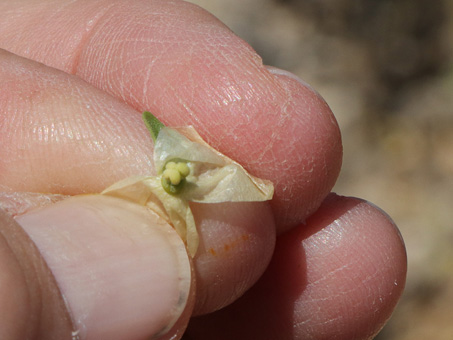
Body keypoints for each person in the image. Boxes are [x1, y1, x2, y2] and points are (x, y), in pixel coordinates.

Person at [0, 1, 407, 339]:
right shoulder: (161, 171)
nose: (176, 179)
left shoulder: (179, 173)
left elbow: (246, 187)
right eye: (175, 176)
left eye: (177, 175)